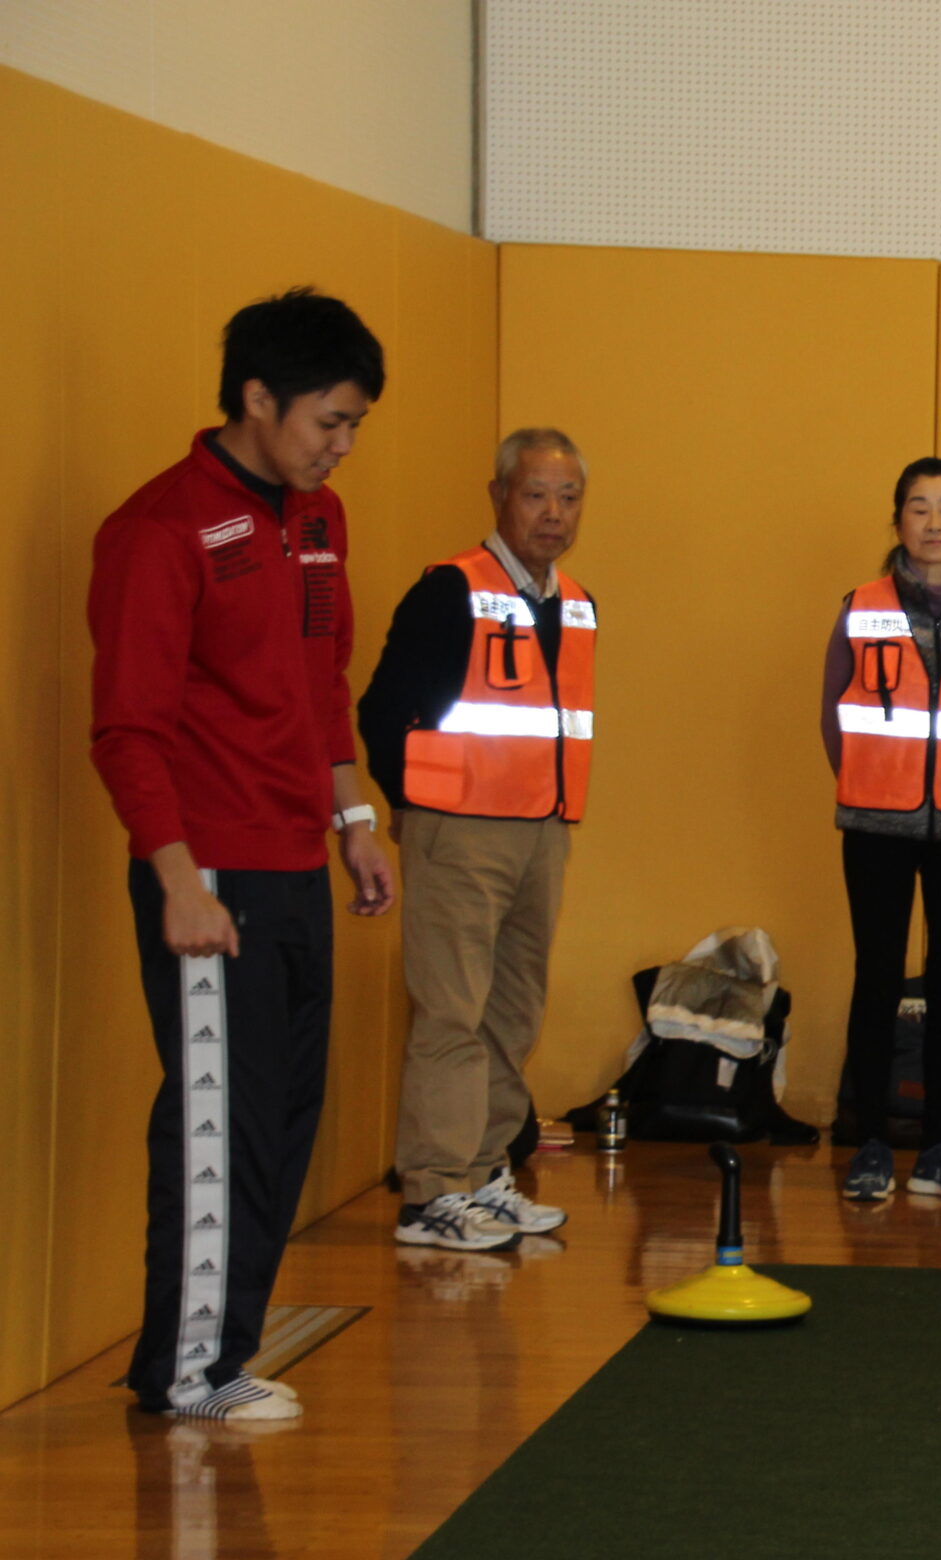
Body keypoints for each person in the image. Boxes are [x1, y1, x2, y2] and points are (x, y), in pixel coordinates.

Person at [89, 288, 395, 1422]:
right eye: (328, 420)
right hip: (206, 874)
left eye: (356, 424)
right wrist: (176, 884)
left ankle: (223, 1354)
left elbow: (321, 683)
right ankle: (188, 1370)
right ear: (257, 399)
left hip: (294, 861)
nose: (342, 444)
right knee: (219, 1120)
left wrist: (352, 821)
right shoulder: (160, 530)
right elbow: (128, 727)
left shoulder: (320, 520)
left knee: (281, 1119)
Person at [358, 428, 595, 1252]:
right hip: (458, 831)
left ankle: (487, 1171)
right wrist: (412, 810)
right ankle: (432, 1189)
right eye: (536, 494)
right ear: (498, 494)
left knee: (512, 1013)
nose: (553, 514)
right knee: (451, 1011)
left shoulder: (575, 603)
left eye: (568, 498)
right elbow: (382, 711)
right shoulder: (450, 590)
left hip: (543, 832)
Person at [822, 457, 941, 1203]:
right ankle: (868, 1141)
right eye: (918, 508)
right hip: (876, 820)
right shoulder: (860, 605)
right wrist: (876, 785)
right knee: (877, 977)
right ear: (897, 522)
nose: (934, 523)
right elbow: (831, 717)